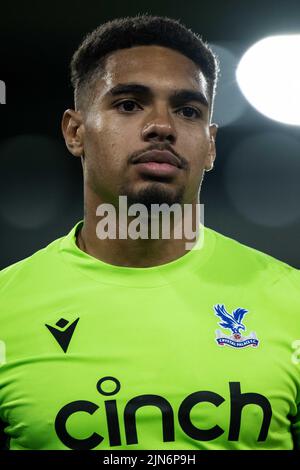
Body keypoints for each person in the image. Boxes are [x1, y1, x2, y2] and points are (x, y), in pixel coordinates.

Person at [0, 14, 299, 451]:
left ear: (210, 144)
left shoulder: (291, 301)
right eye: (128, 104)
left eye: (188, 110)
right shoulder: (7, 308)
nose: (162, 126)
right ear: (75, 131)